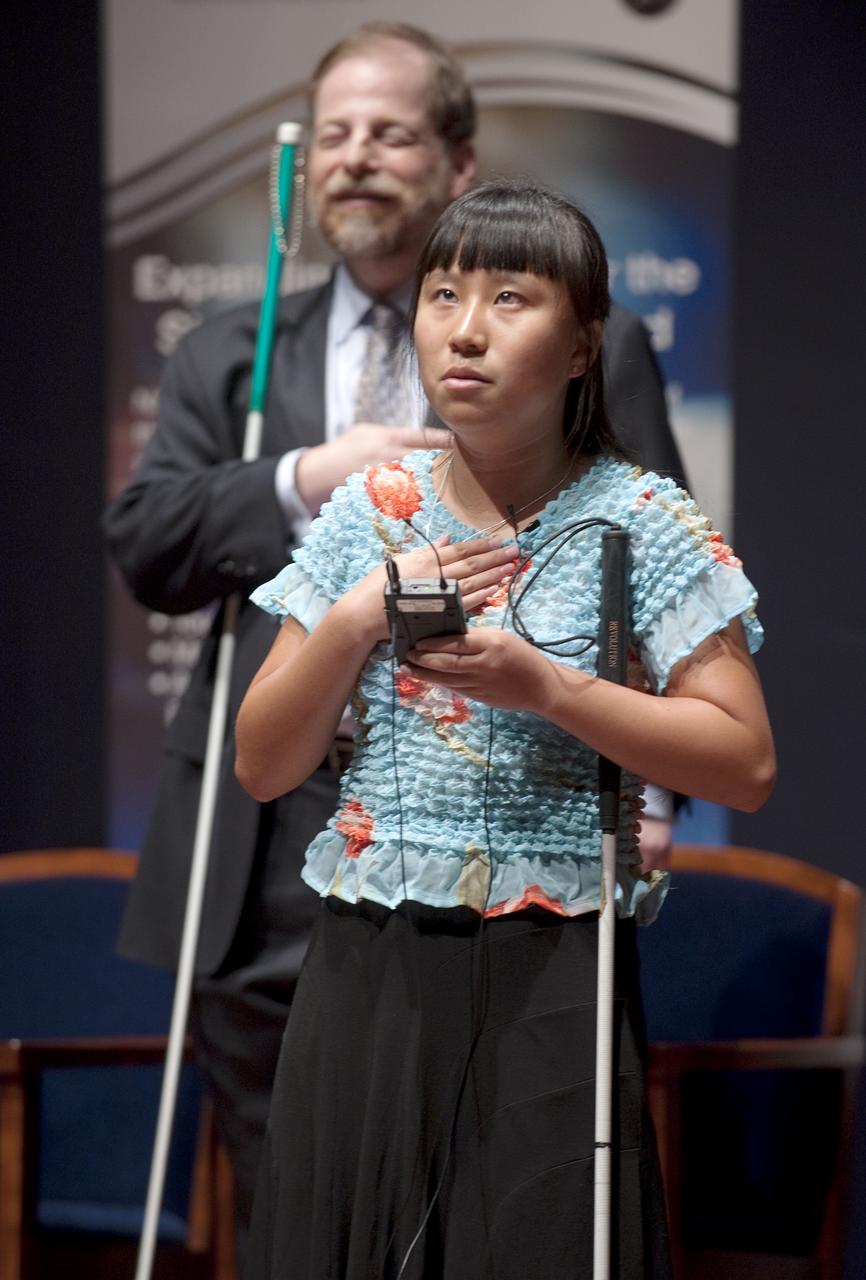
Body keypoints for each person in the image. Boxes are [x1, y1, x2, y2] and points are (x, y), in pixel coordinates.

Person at [103, 22, 686, 1254]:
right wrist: (306, 476)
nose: (354, 157)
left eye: (389, 133)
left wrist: (648, 791)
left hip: (514, 821)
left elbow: (639, 578)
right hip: (268, 839)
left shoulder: (594, 350)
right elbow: (146, 540)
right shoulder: (230, 351)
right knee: (308, 1198)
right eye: (333, 134)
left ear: (458, 162)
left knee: (505, 1197)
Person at [234, 179, 775, 1280]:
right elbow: (261, 762)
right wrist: (354, 618)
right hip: (369, 953)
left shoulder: (640, 519)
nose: (465, 329)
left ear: (582, 346)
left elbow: (745, 762)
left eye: (509, 298)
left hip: (553, 958)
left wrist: (551, 690)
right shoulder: (372, 508)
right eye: (442, 295)